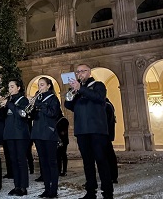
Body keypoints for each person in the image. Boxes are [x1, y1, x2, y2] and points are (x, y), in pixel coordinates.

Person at [65, 64, 113, 199]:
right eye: (78, 72)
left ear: (89, 73)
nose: (80, 74)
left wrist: (80, 89)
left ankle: (108, 193)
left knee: (101, 160)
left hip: (97, 130)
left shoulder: (98, 85)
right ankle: (91, 192)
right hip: (82, 131)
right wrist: (72, 93)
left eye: (82, 71)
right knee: (87, 163)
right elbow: (69, 105)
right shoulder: (78, 90)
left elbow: (99, 98)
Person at [30, 77, 61, 198]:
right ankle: (46, 188)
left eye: (42, 85)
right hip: (37, 133)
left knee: (52, 163)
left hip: (49, 133)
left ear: (48, 86)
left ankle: (54, 190)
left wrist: (39, 105)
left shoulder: (53, 99)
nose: (40, 87)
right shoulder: (38, 99)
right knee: (43, 163)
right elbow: (32, 116)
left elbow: (53, 113)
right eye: (39, 85)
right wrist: (32, 107)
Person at [0, 79, 30, 196]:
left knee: (21, 160)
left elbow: (22, 114)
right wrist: (2, 106)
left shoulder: (23, 100)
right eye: (9, 87)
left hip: (20, 134)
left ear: (18, 88)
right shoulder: (10, 101)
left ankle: (23, 187)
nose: (10, 89)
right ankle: (16, 186)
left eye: (12, 86)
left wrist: (8, 104)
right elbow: (3, 117)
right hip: (9, 133)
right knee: (13, 161)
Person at [105, 98, 119, 184]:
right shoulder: (108, 105)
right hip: (107, 135)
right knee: (109, 156)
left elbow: (106, 122)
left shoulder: (106, 106)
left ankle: (112, 176)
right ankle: (112, 175)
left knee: (108, 156)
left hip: (104, 135)